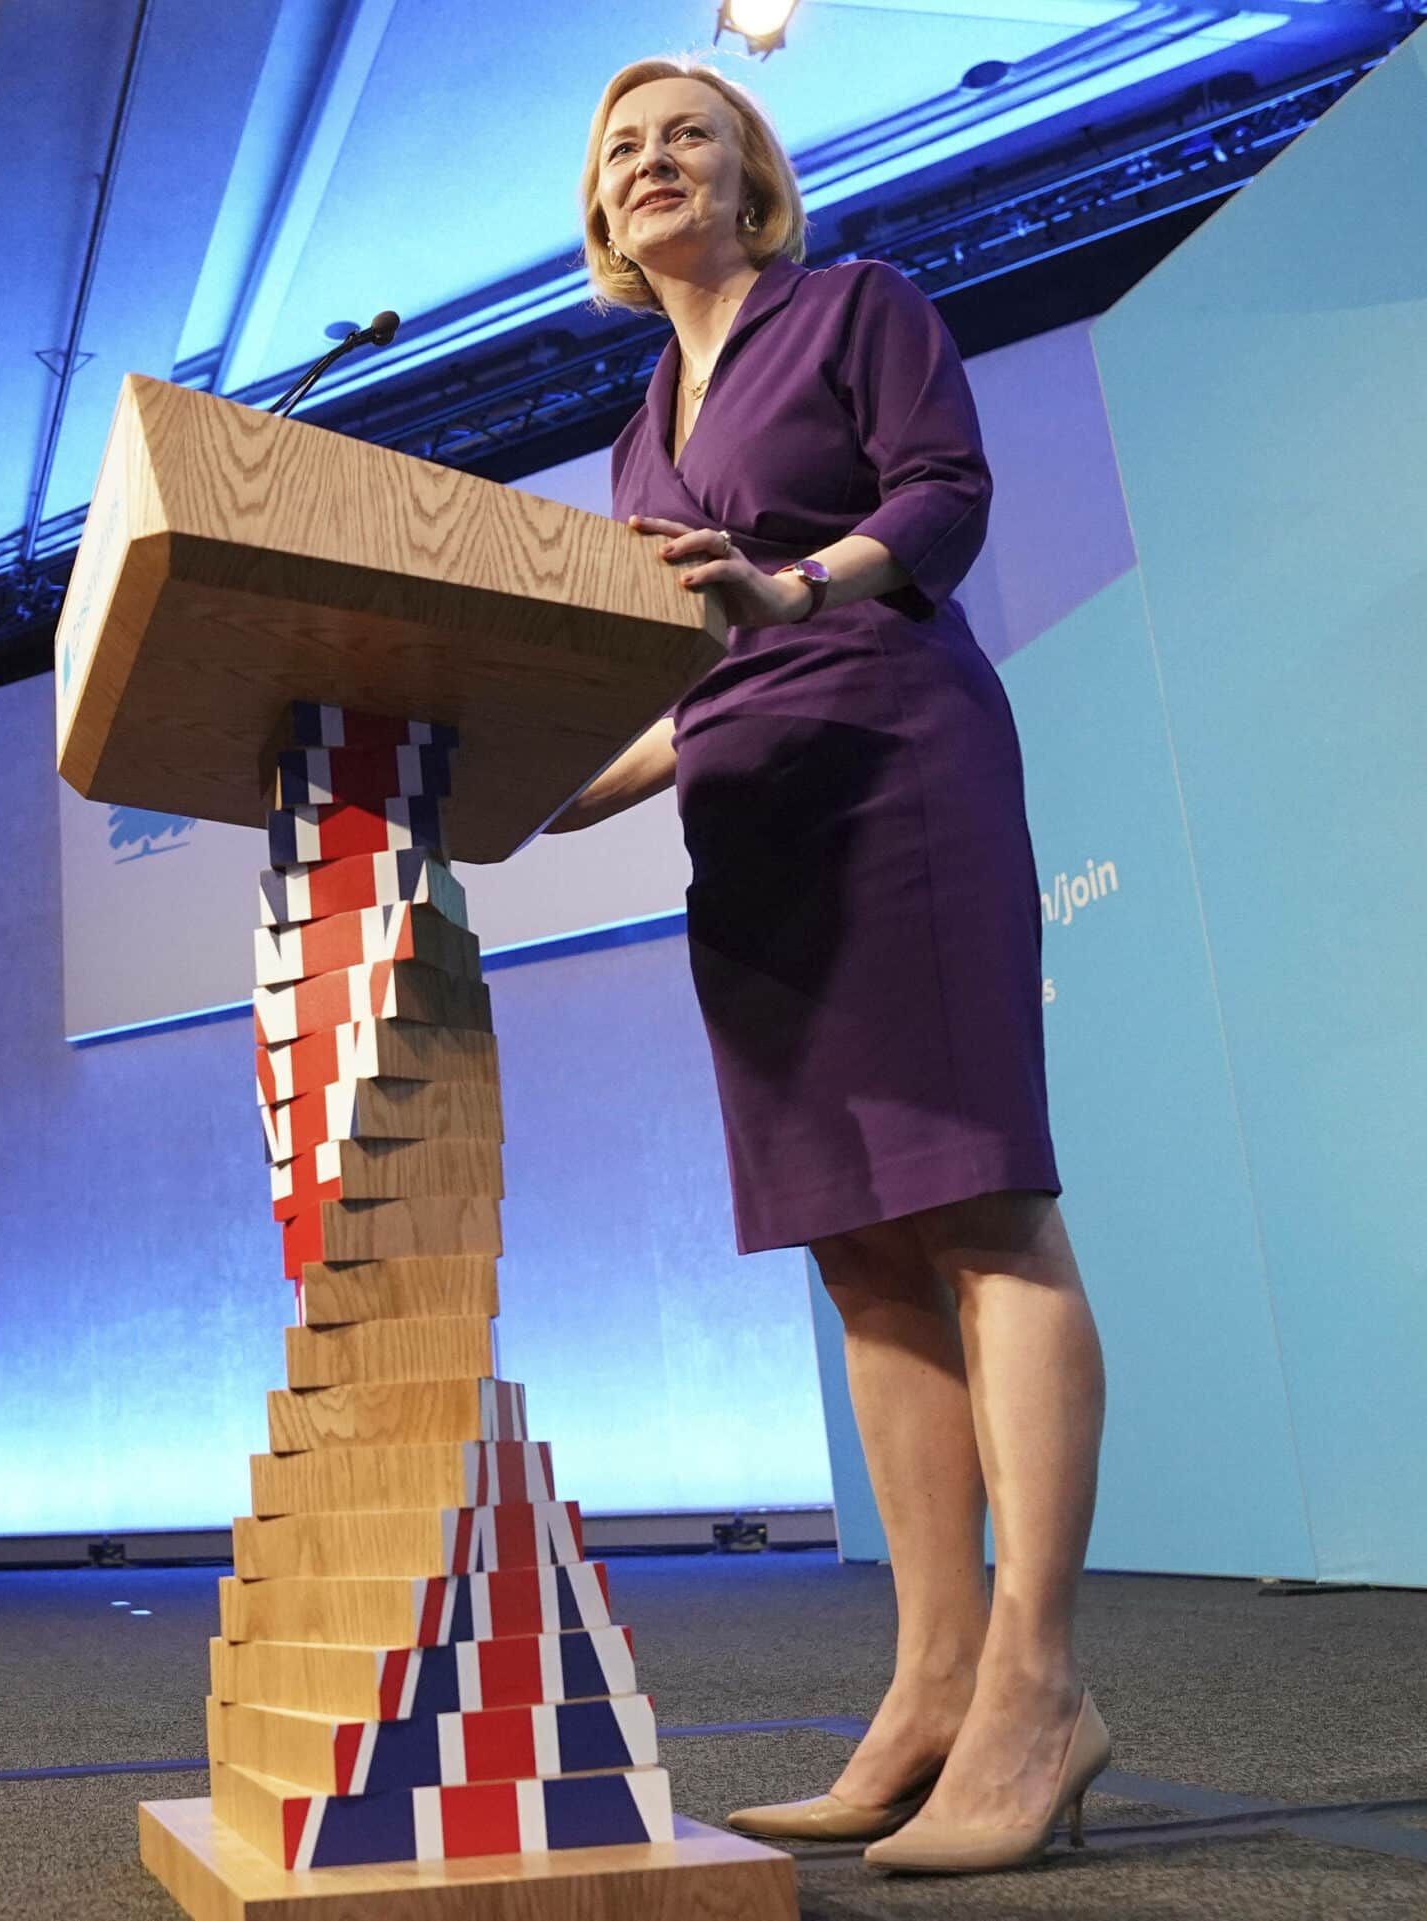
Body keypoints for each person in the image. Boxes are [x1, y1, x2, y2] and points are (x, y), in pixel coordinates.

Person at [554, 58, 1110, 1876]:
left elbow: (943, 501)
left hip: (894, 767)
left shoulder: (857, 308)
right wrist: (567, 790)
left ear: (751, 174)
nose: (652, 162)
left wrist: (797, 590)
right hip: (753, 825)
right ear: (603, 215)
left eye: (684, 135)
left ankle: (1037, 1686)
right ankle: (930, 1689)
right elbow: (693, 674)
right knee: (863, 1261)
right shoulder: (642, 431)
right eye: (622, 149)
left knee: (979, 1211)